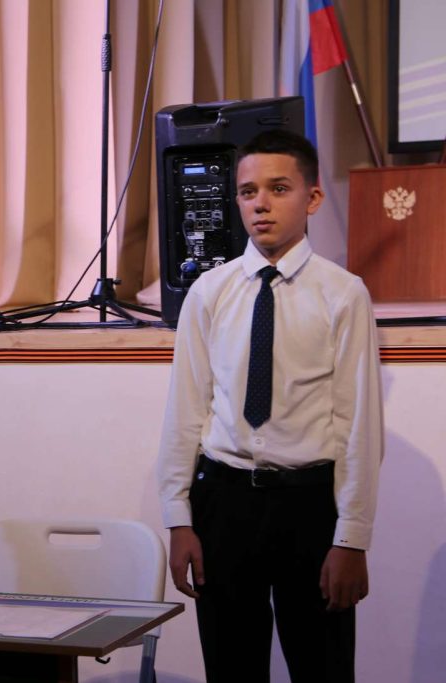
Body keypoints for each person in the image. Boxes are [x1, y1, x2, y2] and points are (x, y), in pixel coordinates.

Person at [157, 129, 383, 682]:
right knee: (231, 667)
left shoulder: (343, 294)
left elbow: (358, 424)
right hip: (224, 502)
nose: (260, 203)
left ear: (312, 198)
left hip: (309, 505)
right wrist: (179, 519)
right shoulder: (209, 292)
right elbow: (185, 411)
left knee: (323, 666)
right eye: (248, 191)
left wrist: (351, 538)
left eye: (279, 189)